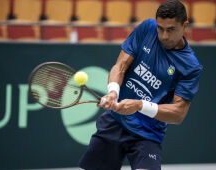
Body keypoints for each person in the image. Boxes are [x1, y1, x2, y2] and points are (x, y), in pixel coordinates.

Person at [79, 0, 203, 169]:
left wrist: (139, 105)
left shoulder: (190, 66)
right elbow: (120, 65)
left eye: (171, 29)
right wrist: (113, 92)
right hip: (115, 122)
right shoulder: (147, 29)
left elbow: (178, 113)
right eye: (160, 28)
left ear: (185, 25)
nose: (164, 36)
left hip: (147, 135)